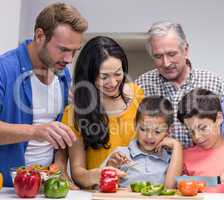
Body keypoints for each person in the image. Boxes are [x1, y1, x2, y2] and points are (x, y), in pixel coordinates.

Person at [0, 3, 87, 187]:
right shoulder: (4, 69)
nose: (69, 59)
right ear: (40, 36)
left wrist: (61, 166)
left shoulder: (63, 74)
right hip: (7, 188)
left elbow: (60, 136)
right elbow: (42, 132)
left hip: (48, 187)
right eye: (63, 49)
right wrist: (35, 132)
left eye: (74, 51)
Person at [57, 36, 144, 188]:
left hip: (138, 190)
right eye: (104, 77)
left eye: (118, 73)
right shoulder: (75, 113)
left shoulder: (139, 96)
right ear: (89, 76)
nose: (112, 83)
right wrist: (97, 174)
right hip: (100, 192)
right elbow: (78, 172)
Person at [101, 96, 182, 189]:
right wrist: (112, 166)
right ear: (135, 124)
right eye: (143, 129)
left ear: (168, 131)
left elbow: (169, 188)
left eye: (157, 131)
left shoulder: (171, 160)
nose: (149, 136)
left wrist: (177, 145)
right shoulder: (121, 154)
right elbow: (99, 186)